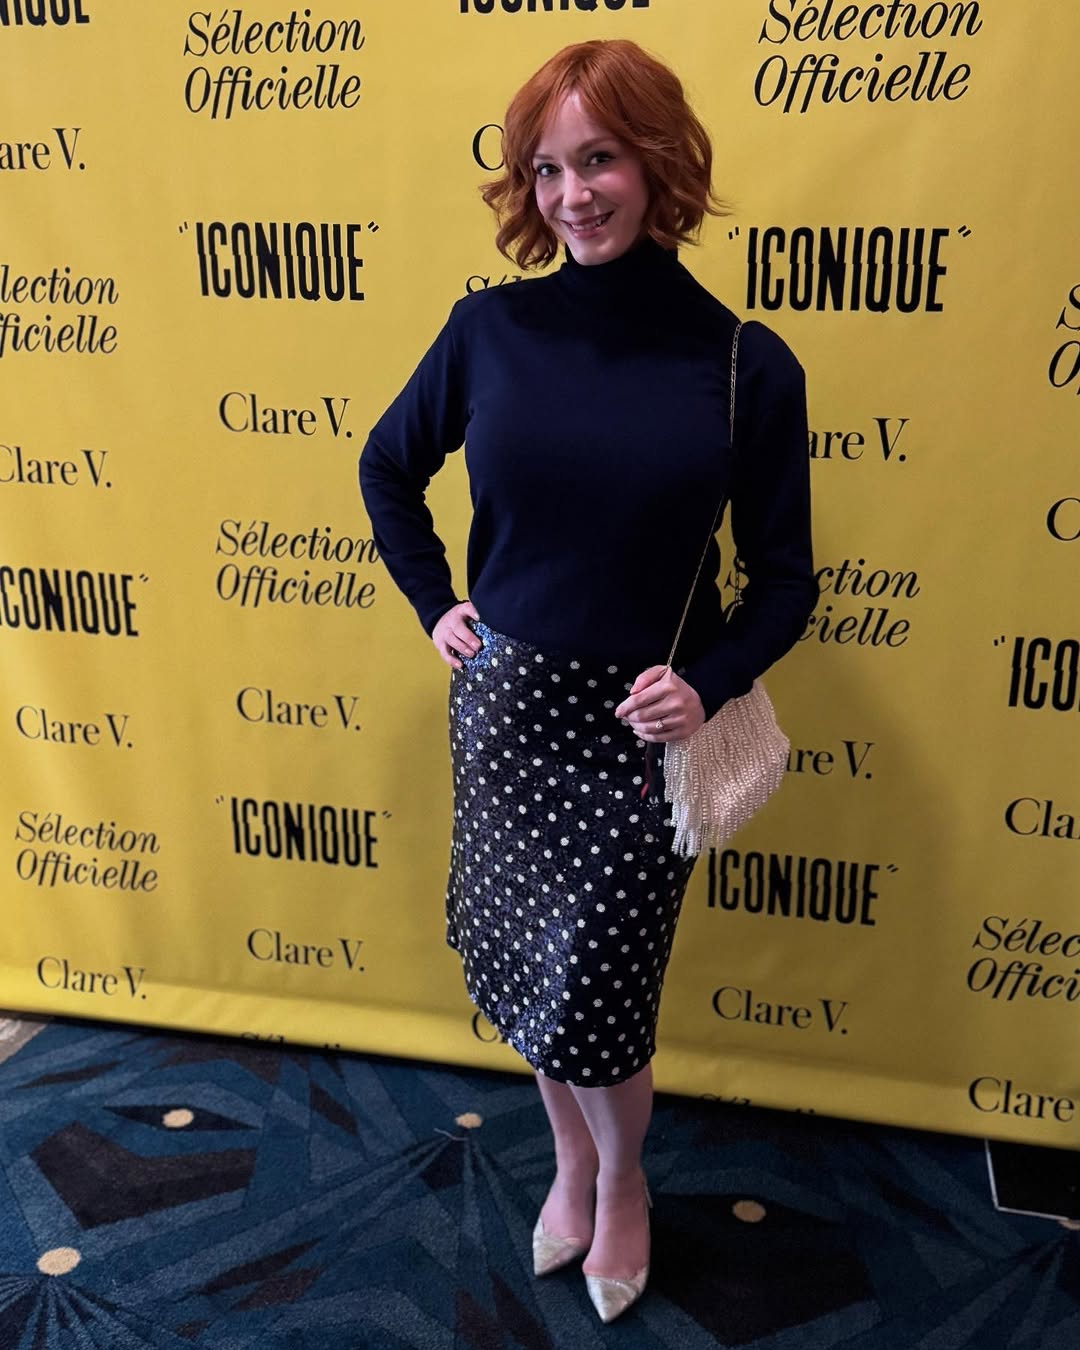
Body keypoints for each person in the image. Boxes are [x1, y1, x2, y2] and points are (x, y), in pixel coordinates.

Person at [359, 38, 816, 1323]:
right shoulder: (488, 330)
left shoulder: (746, 365)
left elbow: (786, 580)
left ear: (657, 162)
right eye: (547, 169)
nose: (571, 195)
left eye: (599, 158)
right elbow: (387, 467)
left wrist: (709, 682)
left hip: (634, 737)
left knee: (602, 994)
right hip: (506, 720)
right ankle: (569, 1159)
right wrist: (436, 604)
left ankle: (622, 1183)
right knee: (529, 968)